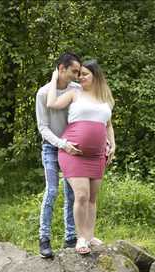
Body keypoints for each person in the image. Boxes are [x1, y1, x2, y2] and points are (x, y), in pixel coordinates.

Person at [47, 59, 115, 254]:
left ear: (96, 76)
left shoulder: (105, 99)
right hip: (73, 153)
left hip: (97, 155)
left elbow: (108, 125)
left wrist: (113, 144)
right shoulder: (74, 93)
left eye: (85, 74)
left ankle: (90, 235)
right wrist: (54, 77)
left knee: (93, 198)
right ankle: (81, 239)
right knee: (82, 195)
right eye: (79, 74)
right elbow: (51, 103)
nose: (80, 77)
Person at [36, 52, 82, 258]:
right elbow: (43, 128)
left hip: (73, 149)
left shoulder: (77, 90)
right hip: (52, 148)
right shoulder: (44, 93)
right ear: (61, 69)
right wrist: (62, 144)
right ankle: (44, 239)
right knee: (52, 191)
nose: (77, 75)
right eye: (74, 71)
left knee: (72, 194)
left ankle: (70, 238)